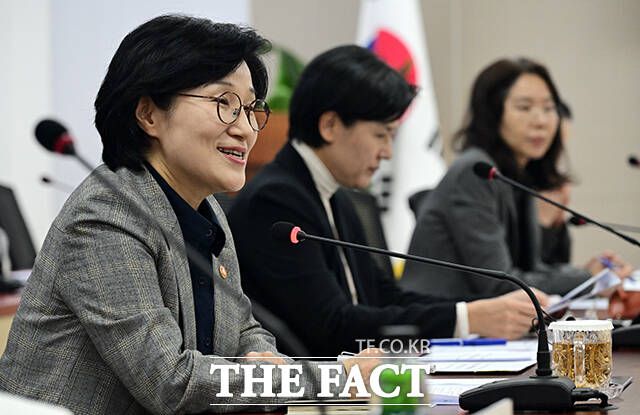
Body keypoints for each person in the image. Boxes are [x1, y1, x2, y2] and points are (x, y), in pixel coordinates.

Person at [0, 15, 375, 414]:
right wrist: (335, 378)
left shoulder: (205, 209)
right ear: (149, 114)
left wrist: (261, 358)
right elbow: (169, 381)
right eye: (224, 103)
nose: (247, 129)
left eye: (251, 108)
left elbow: (244, 329)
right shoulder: (106, 216)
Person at [228, 45, 549, 358]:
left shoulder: (336, 196)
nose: (387, 153)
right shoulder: (276, 200)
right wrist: (467, 319)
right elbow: (332, 326)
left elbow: (384, 297)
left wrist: (478, 311)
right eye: (381, 135)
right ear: (329, 125)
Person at [401, 57, 632, 300]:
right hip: (437, 319)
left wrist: (591, 271)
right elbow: (501, 284)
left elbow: (532, 268)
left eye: (548, 108)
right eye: (524, 107)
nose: (541, 121)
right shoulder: (475, 173)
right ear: (492, 114)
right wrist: (588, 277)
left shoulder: (517, 174)